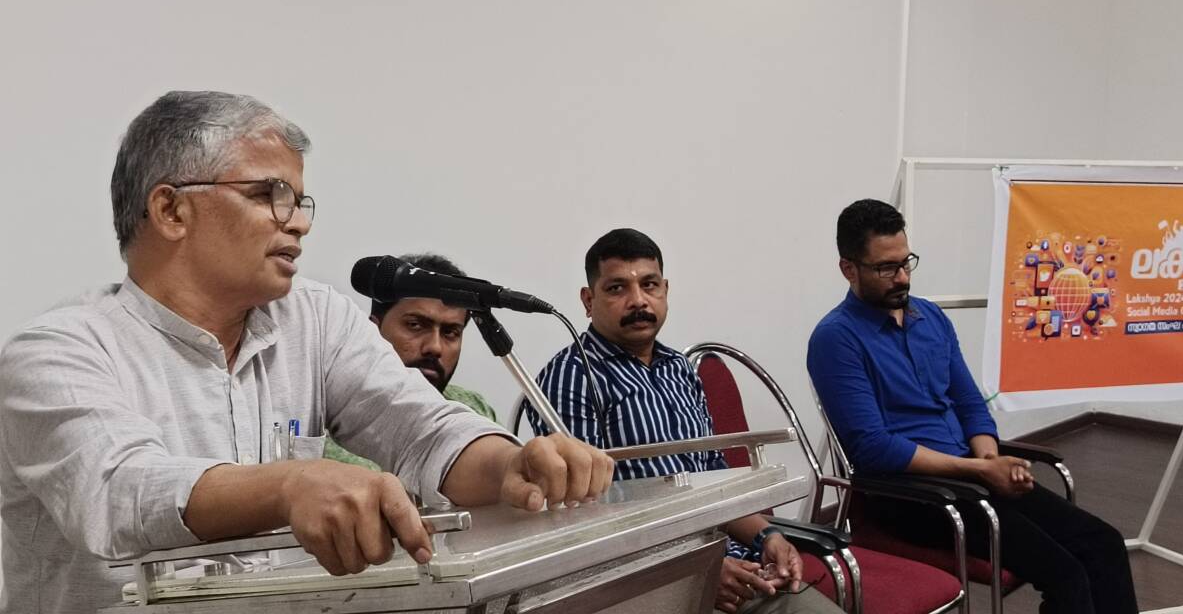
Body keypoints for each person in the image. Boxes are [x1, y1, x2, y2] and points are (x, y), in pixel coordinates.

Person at [0, 90, 613, 614]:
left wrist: (511, 466)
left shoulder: (312, 319)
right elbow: (119, 492)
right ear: (171, 209)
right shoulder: (56, 353)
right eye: (269, 193)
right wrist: (290, 485)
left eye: (299, 200)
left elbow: (421, 429)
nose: (298, 222)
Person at [807, 199, 1138, 614]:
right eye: (886, 268)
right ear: (849, 269)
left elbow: (969, 404)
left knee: (1104, 544)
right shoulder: (836, 339)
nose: (902, 277)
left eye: (906, 262)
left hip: (970, 477)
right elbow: (872, 447)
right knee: (1066, 573)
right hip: (907, 496)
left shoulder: (930, 318)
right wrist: (980, 470)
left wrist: (990, 459)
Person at [528, 228, 841, 614]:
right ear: (588, 300)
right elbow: (578, 519)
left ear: (665, 290)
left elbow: (716, 481)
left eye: (649, 285)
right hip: (645, 582)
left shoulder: (680, 369)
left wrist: (768, 537)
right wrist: (698, 570)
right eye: (617, 288)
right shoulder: (571, 376)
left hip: (732, 565)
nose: (638, 300)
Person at [327, 253, 499, 468]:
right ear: (372, 330)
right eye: (415, 325)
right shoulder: (331, 416)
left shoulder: (473, 408)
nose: (435, 347)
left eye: (450, 332)